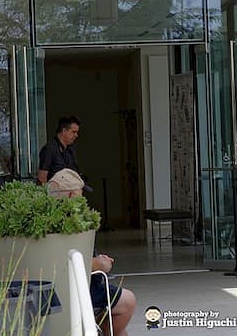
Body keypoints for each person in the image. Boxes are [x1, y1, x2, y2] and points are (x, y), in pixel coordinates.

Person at [47, 169, 136, 336]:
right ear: (72, 196)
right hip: (80, 290)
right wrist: (101, 264)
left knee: (118, 325)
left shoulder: (46, 220)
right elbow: (75, 262)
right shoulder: (71, 223)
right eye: (81, 194)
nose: (84, 199)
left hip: (53, 292)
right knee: (128, 302)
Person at [38, 115, 81, 184]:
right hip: (55, 192)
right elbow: (42, 177)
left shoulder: (71, 148)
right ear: (64, 131)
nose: (76, 135)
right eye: (73, 132)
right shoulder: (49, 149)